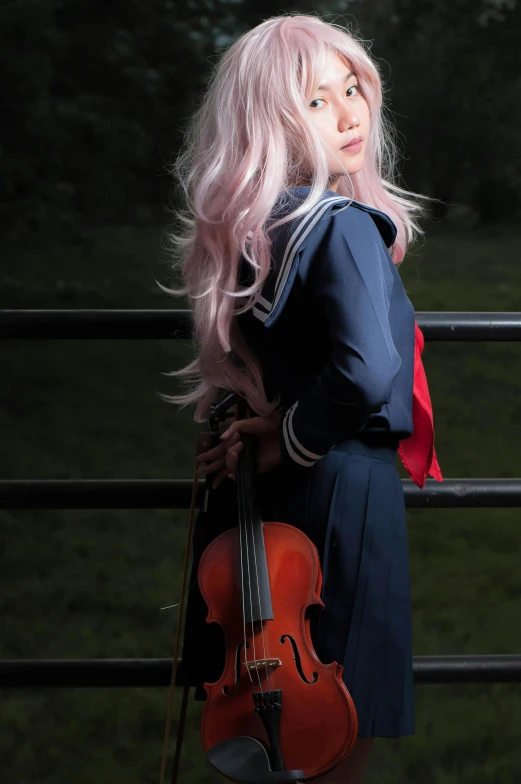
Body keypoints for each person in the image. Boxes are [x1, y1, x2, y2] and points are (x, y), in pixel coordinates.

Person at [160, 13, 443, 784]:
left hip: (271, 494)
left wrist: (271, 435)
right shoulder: (343, 227)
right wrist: (294, 435)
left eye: (352, 88)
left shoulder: (252, 228)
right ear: (268, 121)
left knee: (264, 737)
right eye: (315, 100)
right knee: (331, 738)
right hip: (336, 483)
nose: (350, 113)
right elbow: (363, 369)